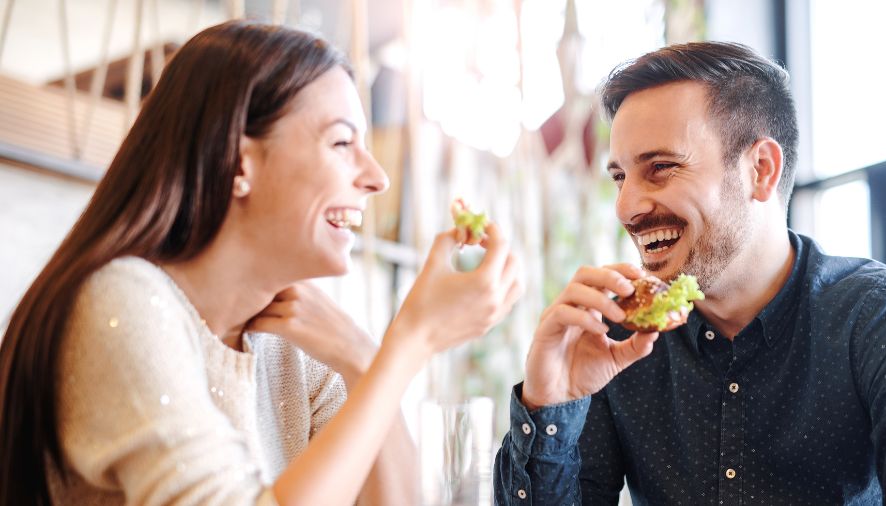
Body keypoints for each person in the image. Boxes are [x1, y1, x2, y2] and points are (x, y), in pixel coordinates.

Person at [0, 21, 522, 506]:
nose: (376, 177)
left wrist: (365, 362)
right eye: (342, 142)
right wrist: (411, 343)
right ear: (238, 160)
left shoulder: (292, 346)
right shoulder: (118, 303)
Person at [493, 41, 886, 505]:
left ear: (760, 170)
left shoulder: (883, 318)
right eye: (621, 177)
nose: (627, 207)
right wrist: (549, 403)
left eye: (661, 167)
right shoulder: (615, 338)